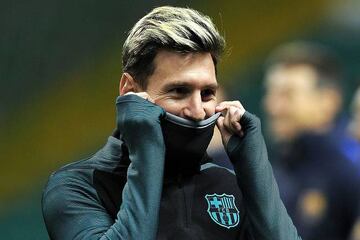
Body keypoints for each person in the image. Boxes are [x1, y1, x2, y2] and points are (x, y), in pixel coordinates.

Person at [42, 6, 301, 240]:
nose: (198, 111)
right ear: (129, 91)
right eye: (178, 91)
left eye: (207, 93)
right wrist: (147, 150)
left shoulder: (228, 185)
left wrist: (252, 167)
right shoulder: (77, 187)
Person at [263, 41, 360, 240]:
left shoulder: (352, 168)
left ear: (328, 101)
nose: (273, 106)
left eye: (287, 95)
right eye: (270, 93)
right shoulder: (275, 171)